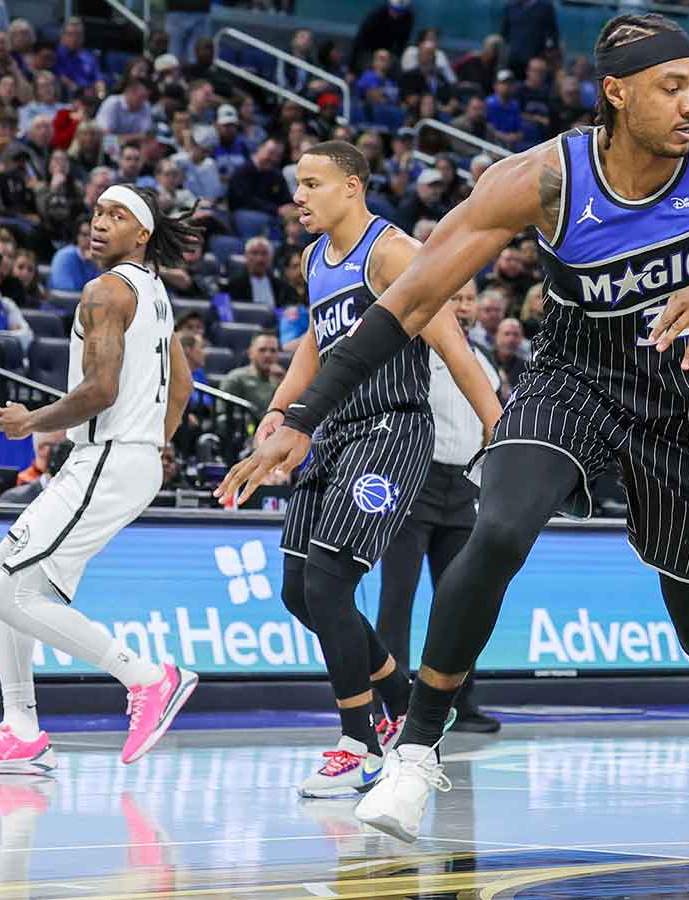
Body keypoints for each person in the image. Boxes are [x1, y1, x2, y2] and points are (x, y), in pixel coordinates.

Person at [219, 15, 689, 858]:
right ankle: (417, 749)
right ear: (616, 91)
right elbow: (411, 302)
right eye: (672, 88)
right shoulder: (541, 178)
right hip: (572, 375)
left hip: (681, 401)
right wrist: (300, 419)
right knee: (496, 528)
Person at [245, 142, 500, 798]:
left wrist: (497, 428)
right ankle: (402, 705)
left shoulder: (394, 253)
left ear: (352, 187)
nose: (298, 196)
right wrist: (279, 409)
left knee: (330, 583)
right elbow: (315, 340)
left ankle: (357, 741)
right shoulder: (311, 258)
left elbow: (454, 345)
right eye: (295, 185)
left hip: (392, 426)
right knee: (299, 589)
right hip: (335, 429)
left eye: (312, 183)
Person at [0, 185, 200, 776]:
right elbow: (185, 386)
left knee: (11, 589)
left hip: (111, 457)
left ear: (141, 234)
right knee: (1, 578)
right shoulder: (155, 293)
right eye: (97, 213)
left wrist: (29, 422)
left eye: (117, 216)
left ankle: (147, 678)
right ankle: (21, 729)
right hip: (126, 459)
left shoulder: (105, 290)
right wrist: (153, 443)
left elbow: (101, 391)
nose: (99, 224)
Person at [377, 280, 504, 735]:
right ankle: (389, 705)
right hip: (416, 482)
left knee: (463, 604)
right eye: (453, 297)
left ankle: (461, 703)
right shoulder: (413, 352)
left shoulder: (484, 365)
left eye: (469, 298)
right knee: (398, 601)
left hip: (464, 487)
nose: (463, 306)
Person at [218, 332, 282, 420]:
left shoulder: (282, 380)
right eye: (262, 350)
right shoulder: (235, 379)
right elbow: (223, 416)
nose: (268, 355)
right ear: (250, 353)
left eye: (273, 351)